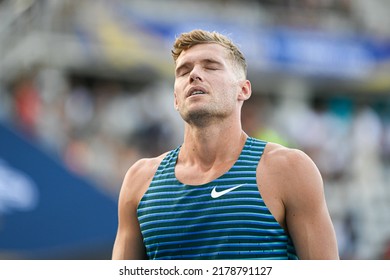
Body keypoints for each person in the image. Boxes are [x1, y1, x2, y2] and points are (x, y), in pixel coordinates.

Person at [112, 29, 339, 260]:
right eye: (183, 71)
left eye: (210, 66)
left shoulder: (289, 169)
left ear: (243, 90)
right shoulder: (140, 180)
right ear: (175, 99)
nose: (194, 75)